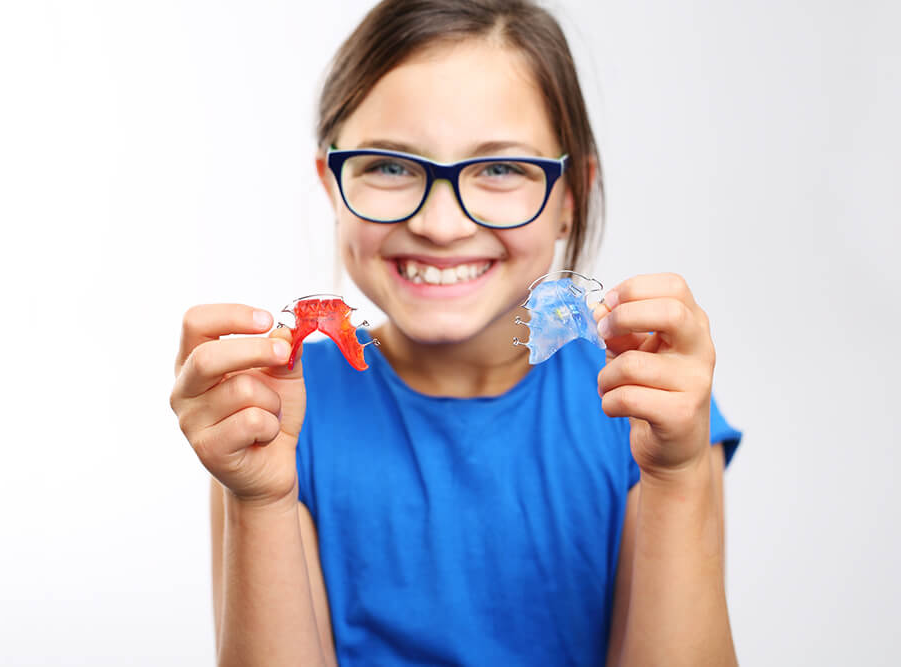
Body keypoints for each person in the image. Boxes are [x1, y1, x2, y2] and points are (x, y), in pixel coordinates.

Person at [169, 1, 743, 665]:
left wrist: (675, 476)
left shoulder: (650, 413)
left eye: (500, 169)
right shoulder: (274, 416)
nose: (441, 224)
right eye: (389, 165)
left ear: (570, 198)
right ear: (332, 184)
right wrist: (260, 496)